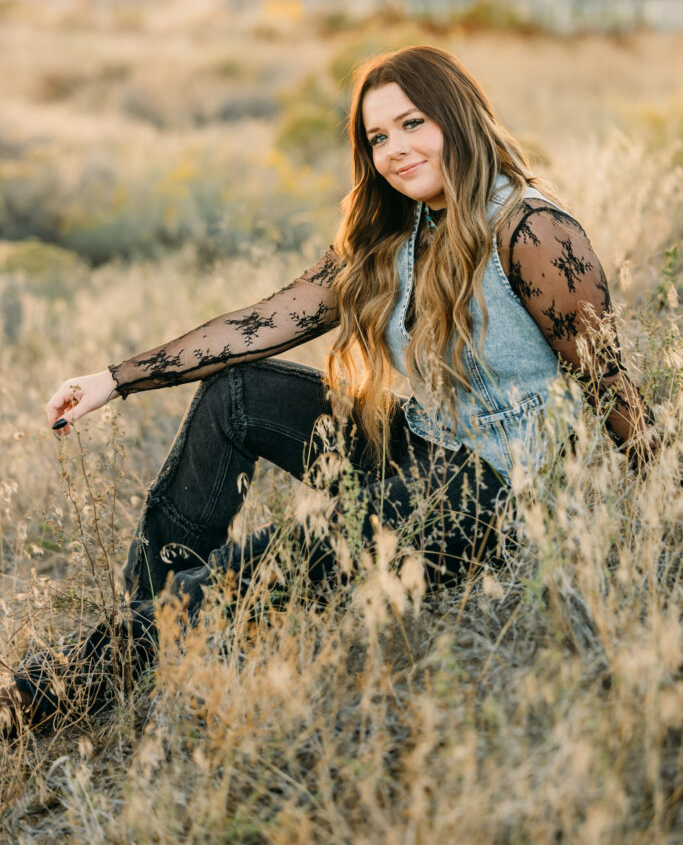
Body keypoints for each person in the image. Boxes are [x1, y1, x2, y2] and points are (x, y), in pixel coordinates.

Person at [0, 45, 654, 731]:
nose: (395, 150)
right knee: (240, 393)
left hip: (499, 492)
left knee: (254, 568)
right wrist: (114, 379)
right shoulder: (395, 231)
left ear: (457, 117)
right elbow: (259, 326)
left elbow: (610, 385)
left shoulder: (533, 231)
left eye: (411, 123)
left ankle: (42, 697)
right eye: (377, 137)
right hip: (426, 446)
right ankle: (142, 642)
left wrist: (653, 517)